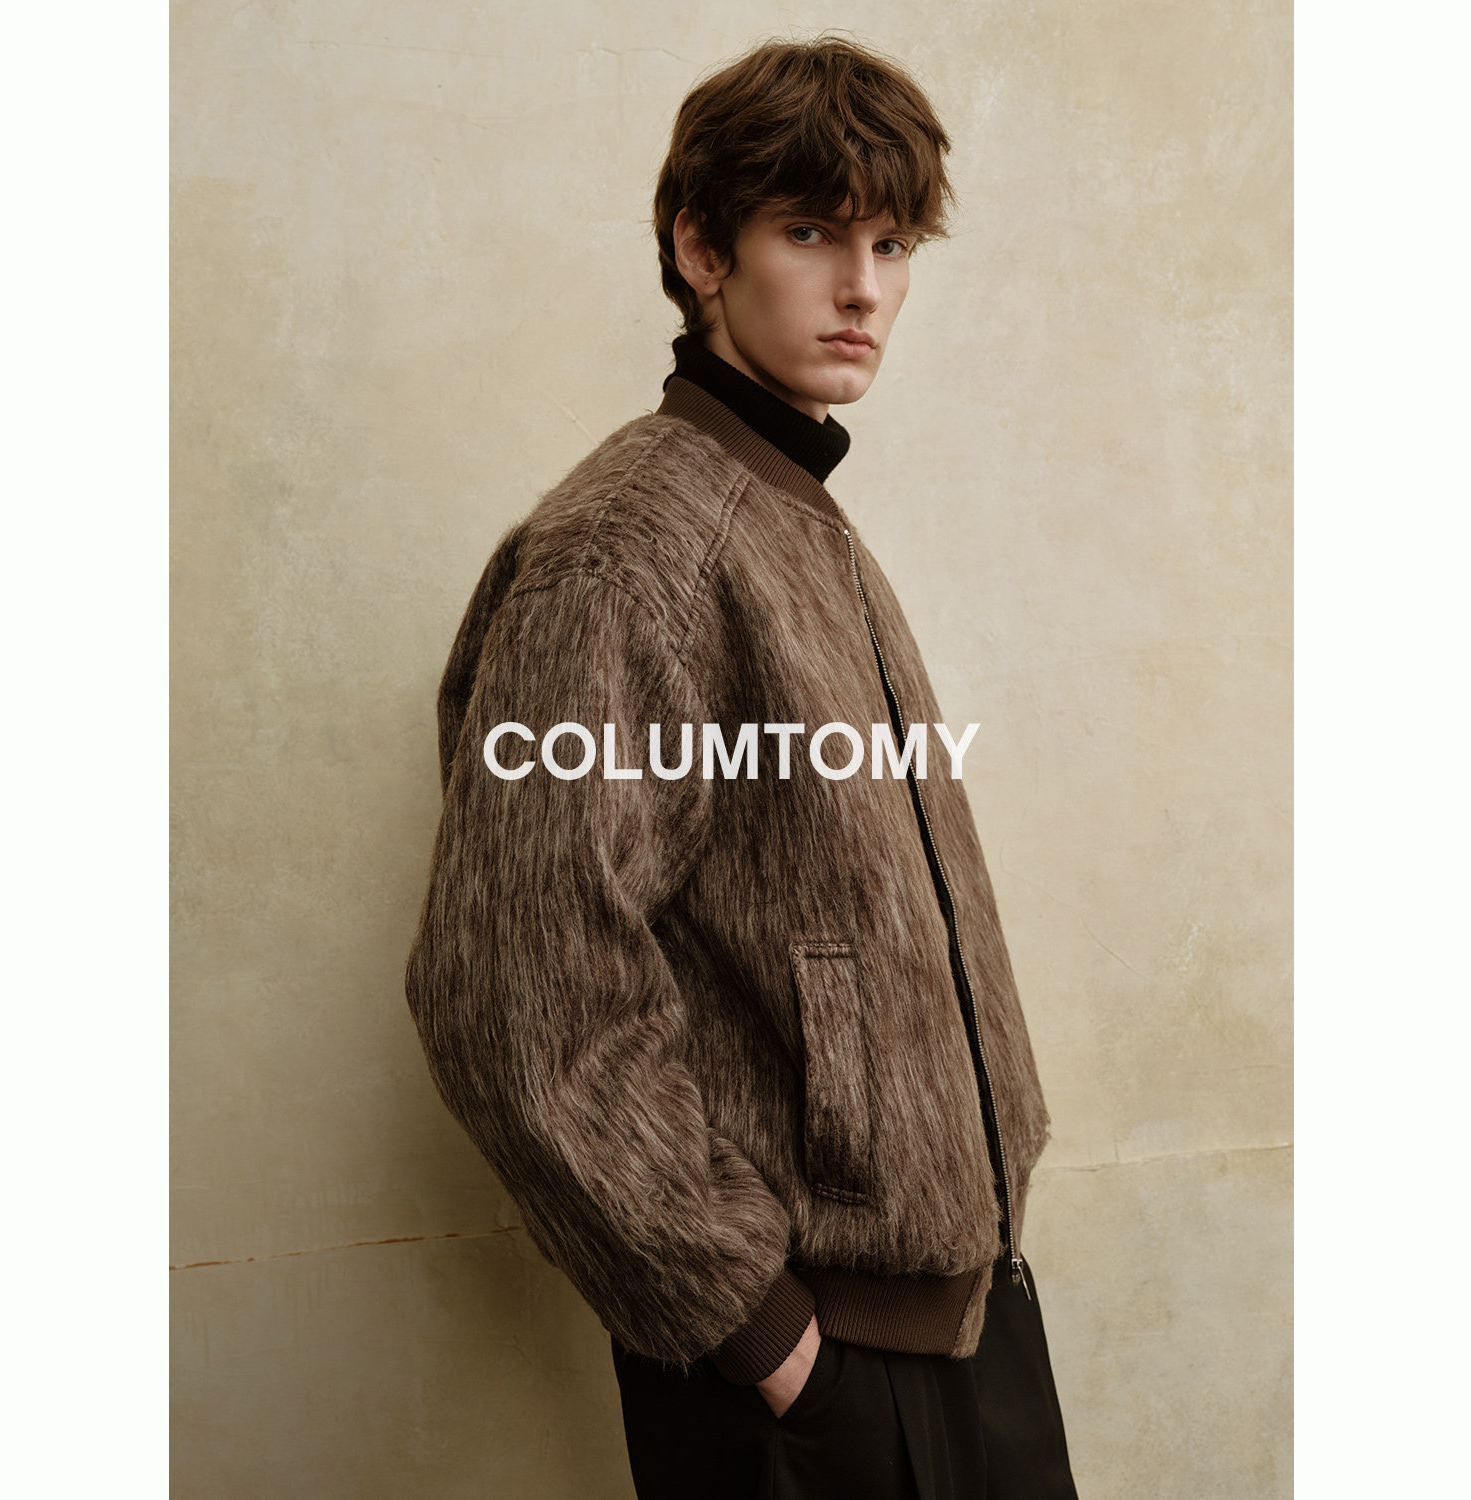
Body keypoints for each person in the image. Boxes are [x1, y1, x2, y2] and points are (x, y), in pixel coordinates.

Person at [404, 32, 1079, 1500]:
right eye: (813, 233)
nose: (864, 289)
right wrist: (767, 1339)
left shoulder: (792, 511)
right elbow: (514, 990)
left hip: (961, 1322)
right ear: (700, 250)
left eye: (893, 245)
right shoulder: (629, 552)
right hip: (810, 1366)